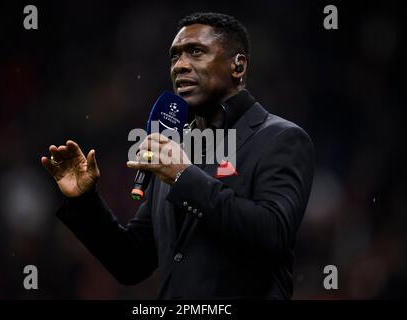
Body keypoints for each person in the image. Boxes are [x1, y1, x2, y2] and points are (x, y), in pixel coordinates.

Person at [41, 12, 315, 299]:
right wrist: (85, 201)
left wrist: (184, 176)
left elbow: (273, 234)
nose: (180, 65)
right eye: (175, 56)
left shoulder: (281, 138)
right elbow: (131, 263)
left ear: (238, 65)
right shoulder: (176, 150)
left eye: (196, 52)